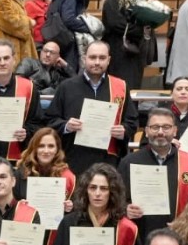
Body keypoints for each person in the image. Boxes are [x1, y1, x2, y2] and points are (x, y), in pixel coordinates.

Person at [51, 40, 137, 176]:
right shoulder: (66, 87)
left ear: (108, 60)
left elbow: (132, 122)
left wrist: (123, 131)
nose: (97, 62)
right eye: (92, 57)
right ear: (84, 59)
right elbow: (50, 120)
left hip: (108, 161)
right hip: (73, 159)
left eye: (102, 58)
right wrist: (66, 126)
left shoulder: (120, 87)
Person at [117, 107, 188, 234]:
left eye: (166, 127)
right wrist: (125, 209)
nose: (160, 132)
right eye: (155, 127)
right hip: (140, 234)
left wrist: (185, 221)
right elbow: (116, 199)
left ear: (175, 131)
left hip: (181, 234)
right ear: (146, 131)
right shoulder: (129, 162)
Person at [102, 0, 152, 89]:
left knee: (133, 87)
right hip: (120, 51)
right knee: (121, 87)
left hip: (133, 52)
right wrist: (140, 30)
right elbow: (116, 24)